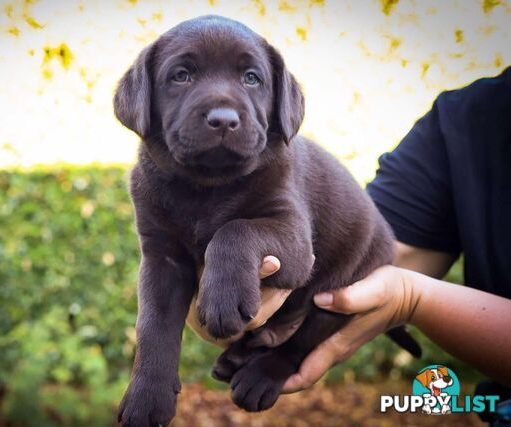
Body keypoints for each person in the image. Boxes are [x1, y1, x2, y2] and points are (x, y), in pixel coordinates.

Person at [191, 66, 511, 402]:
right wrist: (224, 281)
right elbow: (362, 252)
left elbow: (397, 284)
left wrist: (413, 298)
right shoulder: (468, 117)